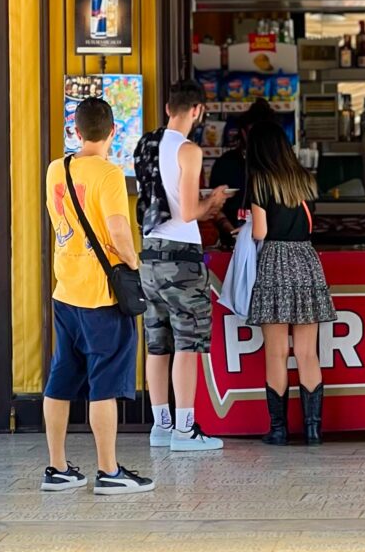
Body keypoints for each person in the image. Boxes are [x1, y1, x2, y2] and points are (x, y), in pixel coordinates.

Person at [40, 97, 153, 495]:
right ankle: (108, 471)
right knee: (104, 382)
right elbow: (119, 231)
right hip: (101, 296)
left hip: (65, 289)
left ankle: (57, 468)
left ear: (76, 130)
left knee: (61, 377)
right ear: (112, 132)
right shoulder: (108, 173)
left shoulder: (57, 168)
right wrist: (134, 264)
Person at [138, 80, 229, 452]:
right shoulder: (189, 150)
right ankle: (185, 430)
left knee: (157, 343)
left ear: (167, 108)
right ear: (198, 111)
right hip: (181, 257)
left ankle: (160, 426)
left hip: (149, 253)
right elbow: (189, 211)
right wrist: (215, 201)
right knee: (188, 343)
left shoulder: (144, 144)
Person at [246, 121, 335, 446]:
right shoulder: (305, 180)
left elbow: (260, 232)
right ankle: (313, 429)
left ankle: (279, 429)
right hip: (306, 261)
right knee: (308, 353)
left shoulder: (260, 181)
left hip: (275, 262)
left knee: (277, 353)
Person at [210, 98, 277, 247]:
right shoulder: (225, 163)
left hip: (270, 245)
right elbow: (213, 204)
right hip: (231, 243)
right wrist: (229, 228)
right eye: (254, 134)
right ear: (243, 132)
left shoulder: (278, 166)